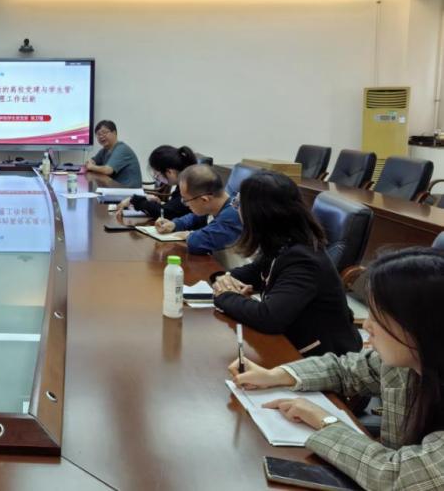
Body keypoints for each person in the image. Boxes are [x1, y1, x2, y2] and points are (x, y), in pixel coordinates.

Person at [229, 248, 444, 490]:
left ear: (423, 324)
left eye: (379, 317)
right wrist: (275, 375)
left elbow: (393, 477)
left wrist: (325, 421)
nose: (367, 326)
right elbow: (345, 369)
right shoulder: (407, 363)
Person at [212, 170, 361, 357]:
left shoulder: (304, 260)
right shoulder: (283, 241)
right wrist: (223, 278)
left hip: (323, 357)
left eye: (239, 204)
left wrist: (224, 295)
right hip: (292, 339)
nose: (237, 209)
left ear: (258, 214)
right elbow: (253, 272)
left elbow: (269, 318)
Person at [154, 164, 242, 255]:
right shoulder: (215, 204)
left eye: (186, 200)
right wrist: (174, 224)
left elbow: (197, 242)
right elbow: (194, 217)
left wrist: (189, 235)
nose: (186, 204)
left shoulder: (234, 213)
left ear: (204, 200)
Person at [116, 144, 197, 223]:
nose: (158, 179)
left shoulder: (190, 187)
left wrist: (135, 200)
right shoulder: (183, 182)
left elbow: (165, 213)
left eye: (157, 175)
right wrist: (148, 200)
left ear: (169, 172)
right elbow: (172, 208)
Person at [84, 119, 142, 188]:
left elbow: (108, 170)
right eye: (98, 134)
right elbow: (92, 160)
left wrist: (92, 167)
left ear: (114, 133)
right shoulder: (104, 150)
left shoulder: (122, 149)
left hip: (130, 191)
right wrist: (90, 162)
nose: (101, 136)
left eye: (104, 132)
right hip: (116, 188)